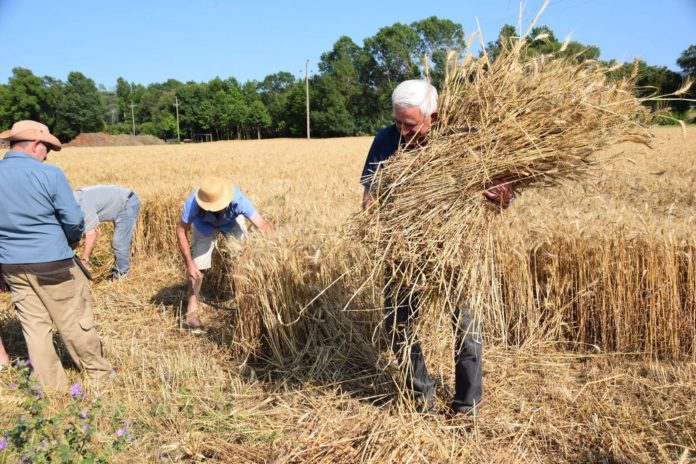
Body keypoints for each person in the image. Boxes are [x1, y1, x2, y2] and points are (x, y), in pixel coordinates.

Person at [360, 80, 513, 416]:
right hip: (405, 252)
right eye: (398, 122)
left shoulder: (464, 140)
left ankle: (466, 404)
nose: (402, 131)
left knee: (466, 327)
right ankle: (420, 394)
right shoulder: (386, 140)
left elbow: (502, 194)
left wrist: (502, 196)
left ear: (434, 116)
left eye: (410, 124)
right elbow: (369, 195)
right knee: (398, 323)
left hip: (458, 252)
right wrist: (375, 219)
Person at [0, 120, 115, 391]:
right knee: (74, 319)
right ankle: (99, 373)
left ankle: (52, 389)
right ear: (36, 145)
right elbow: (74, 218)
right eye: (47, 148)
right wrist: (72, 239)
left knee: (34, 327)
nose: (47, 155)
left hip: (11, 265)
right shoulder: (49, 175)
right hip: (53, 262)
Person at [175, 177, 273, 329]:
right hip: (203, 226)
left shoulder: (238, 200)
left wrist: (275, 252)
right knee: (197, 268)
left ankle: (244, 305)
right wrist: (189, 263)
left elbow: (262, 225)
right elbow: (181, 230)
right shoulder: (193, 203)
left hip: (231, 222)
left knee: (243, 261)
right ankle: (191, 314)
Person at [73, 185, 141, 279]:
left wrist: (84, 260)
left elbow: (91, 234)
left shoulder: (83, 206)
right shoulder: (73, 200)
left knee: (119, 242)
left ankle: (121, 276)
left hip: (127, 203)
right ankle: (119, 271)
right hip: (119, 201)